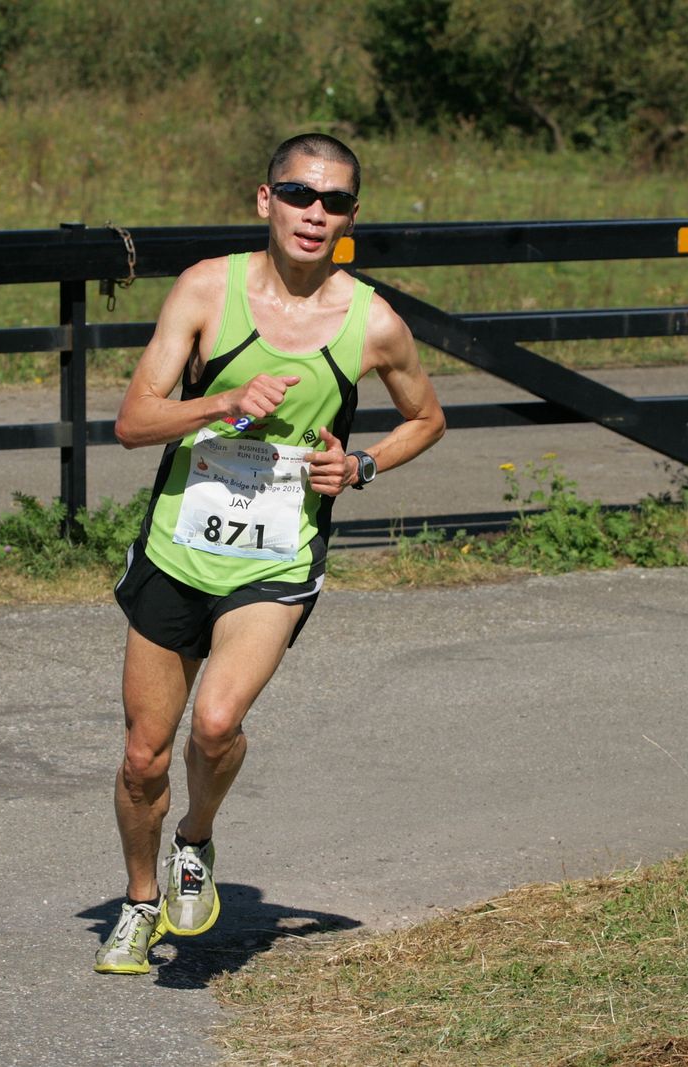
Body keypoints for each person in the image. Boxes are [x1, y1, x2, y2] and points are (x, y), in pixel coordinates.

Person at [94, 133, 446, 975]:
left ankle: (196, 840)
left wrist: (361, 463)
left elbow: (427, 419)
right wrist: (220, 402)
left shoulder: (373, 322)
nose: (314, 214)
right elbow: (133, 423)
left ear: (351, 217)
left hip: (277, 555)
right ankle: (142, 901)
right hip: (179, 543)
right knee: (144, 753)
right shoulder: (206, 290)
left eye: (335, 202)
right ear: (265, 200)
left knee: (215, 723)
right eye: (299, 194)